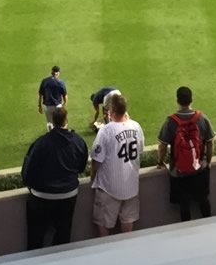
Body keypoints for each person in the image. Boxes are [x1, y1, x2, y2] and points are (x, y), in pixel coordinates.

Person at [21, 105, 88, 250]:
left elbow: (27, 172)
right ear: (66, 120)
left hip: (41, 197)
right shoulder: (78, 141)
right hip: (68, 196)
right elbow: (81, 167)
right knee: (63, 236)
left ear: (52, 121)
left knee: (36, 238)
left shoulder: (41, 143)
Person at [89, 91, 144, 235]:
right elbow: (140, 150)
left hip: (109, 187)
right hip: (131, 185)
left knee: (103, 224)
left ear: (111, 111)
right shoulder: (136, 127)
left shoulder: (105, 131)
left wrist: (92, 177)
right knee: (127, 222)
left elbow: (96, 160)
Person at [156, 86, 215, 221]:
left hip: (179, 172)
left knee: (184, 205)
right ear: (191, 99)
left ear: (177, 100)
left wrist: (160, 162)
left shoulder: (171, 121)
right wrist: (208, 162)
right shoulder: (202, 118)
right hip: (199, 168)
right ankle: (211, 227)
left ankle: (186, 235)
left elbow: (162, 146)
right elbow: (210, 142)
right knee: (203, 200)